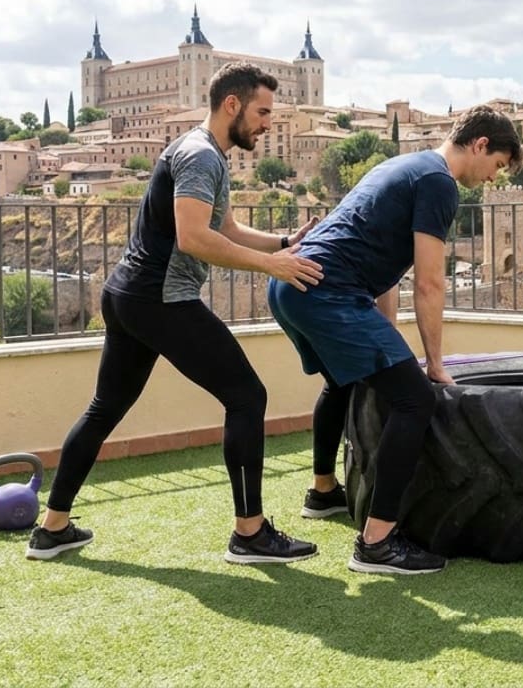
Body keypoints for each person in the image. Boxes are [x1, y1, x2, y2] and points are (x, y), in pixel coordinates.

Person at [27, 62, 325, 564]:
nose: (268, 124)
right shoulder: (201, 157)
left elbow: (224, 227)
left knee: (106, 407)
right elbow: (194, 238)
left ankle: (51, 528)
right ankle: (250, 534)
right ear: (232, 104)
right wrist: (272, 266)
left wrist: (281, 242)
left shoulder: (201, 151)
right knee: (247, 395)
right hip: (158, 300)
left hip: (127, 297)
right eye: (262, 112)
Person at [269, 105, 522, 574]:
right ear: (481, 144)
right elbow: (429, 282)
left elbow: (385, 270)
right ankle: (378, 543)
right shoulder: (439, 182)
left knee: (342, 382)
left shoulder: (402, 166)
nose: (494, 178)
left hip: (290, 286)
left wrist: (386, 337)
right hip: (325, 292)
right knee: (413, 401)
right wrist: (434, 364)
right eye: (499, 165)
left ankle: (323, 493)